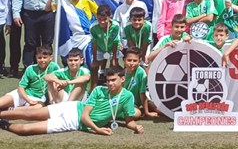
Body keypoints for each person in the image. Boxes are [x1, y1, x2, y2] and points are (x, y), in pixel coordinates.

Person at [0, 66, 144, 136]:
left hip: (72, 122)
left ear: (122, 79)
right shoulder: (99, 90)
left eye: (114, 80)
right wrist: (97, 129)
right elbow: (85, 116)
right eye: (108, 80)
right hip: (72, 108)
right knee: (30, 114)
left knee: (25, 130)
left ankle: (3, 125)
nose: (110, 83)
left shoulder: (128, 97)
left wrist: (136, 127)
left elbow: (128, 120)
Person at [0, 45, 59, 110]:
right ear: (36, 57)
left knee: (39, 107)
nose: (42, 60)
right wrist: (28, 100)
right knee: (2, 102)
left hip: (38, 99)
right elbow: (21, 88)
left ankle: (11, 109)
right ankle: (13, 108)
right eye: (39, 57)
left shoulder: (54, 67)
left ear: (50, 58)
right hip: (24, 95)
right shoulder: (30, 69)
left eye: (45, 57)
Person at [90, 5, 120, 91]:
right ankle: (93, 89)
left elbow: (115, 41)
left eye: (104, 19)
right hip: (100, 48)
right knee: (94, 67)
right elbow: (94, 43)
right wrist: (95, 59)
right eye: (99, 19)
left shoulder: (115, 26)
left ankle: (113, 88)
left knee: (114, 66)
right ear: (96, 17)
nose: (102, 22)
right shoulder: (93, 27)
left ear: (109, 17)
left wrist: (114, 57)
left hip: (112, 49)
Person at [123, 47, 157, 119]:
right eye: (129, 60)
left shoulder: (141, 73)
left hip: (135, 103)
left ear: (139, 61)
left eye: (135, 61)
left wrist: (147, 112)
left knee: (156, 108)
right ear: (124, 60)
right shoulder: (121, 73)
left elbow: (142, 93)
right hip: (122, 102)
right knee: (137, 113)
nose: (131, 63)